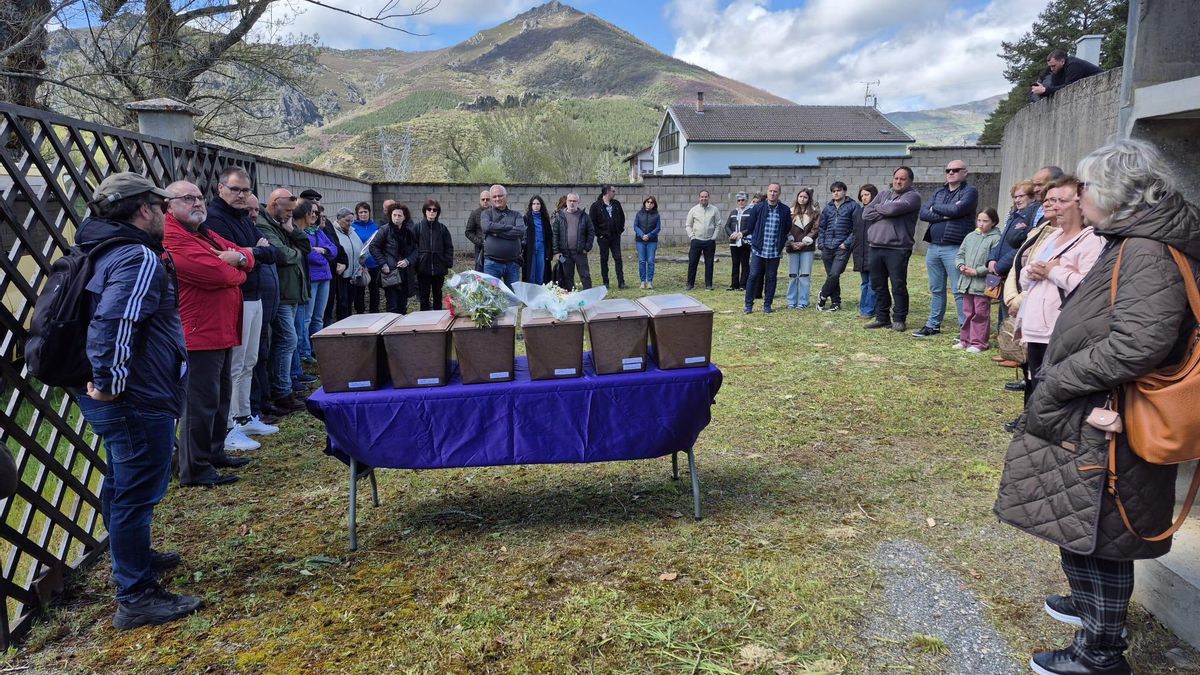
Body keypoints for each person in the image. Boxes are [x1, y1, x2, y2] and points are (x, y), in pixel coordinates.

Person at [996, 138, 1199, 675]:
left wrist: (1059, 378)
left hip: (1108, 415)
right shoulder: (1133, 240)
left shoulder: (1147, 250)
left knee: (1100, 534)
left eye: (1085, 187)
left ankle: (1100, 652)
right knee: (1085, 528)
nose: (1077, 196)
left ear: (1113, 191)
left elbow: (1138, 343)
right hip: (1097, 407)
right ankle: (1093, 612)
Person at [73, 172, 201, 628]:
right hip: (133, 395)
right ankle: (136, 594)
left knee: (121, 480)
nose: (167, 216)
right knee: (135, 492)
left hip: (115, 394)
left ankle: (135, 560)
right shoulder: (138, 256)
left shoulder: (96, 246)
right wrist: (110, 383)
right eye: (162, 207)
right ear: (144, 210)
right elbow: (116, 322)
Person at [163, 180, 253, 486]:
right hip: (198, 332)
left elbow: (243, 255)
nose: (197, 203)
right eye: (188, 199)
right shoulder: (174, 238)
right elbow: (218, 273)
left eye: (199, 197)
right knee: (200, 403)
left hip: (221, 328)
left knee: (219, 398)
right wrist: (238, 265)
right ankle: (194, 468)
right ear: (169, 205)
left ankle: (213, 452)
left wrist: (239, 259)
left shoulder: (201, 232)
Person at [203, 167, 279, 445]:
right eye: (235, 189)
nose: (241, 195)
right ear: (220, 188)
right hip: (237, 297)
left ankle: (245, 416)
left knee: (249, 360)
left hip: (255, 294)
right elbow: (226, 259)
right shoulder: (215, 218)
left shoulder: (243, 218)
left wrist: (248, 253)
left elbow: (271, 252)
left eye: (245, 190)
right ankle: (230, 423)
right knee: (235, 364)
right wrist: (254, 251)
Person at [1016, 176, 1105, 399]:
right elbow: (1026, 276)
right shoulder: (1053, 236)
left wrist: (1053, 272)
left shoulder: (1093, 240)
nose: (1053, 206)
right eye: (1051, 200)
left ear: (1081, 203)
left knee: (1052, 395)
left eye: (1061, 201)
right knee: (1035, 391)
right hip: (1036, 329)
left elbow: (1091, 288)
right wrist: (1033, 271)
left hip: (1060, 332)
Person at [257, 188, 310, 411]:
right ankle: (282, 390)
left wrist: (292, 232)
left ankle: (285, 387)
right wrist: (295, 251)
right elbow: (282, 255)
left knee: (290, 339)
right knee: (287, 339)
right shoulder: (263, 224)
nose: (290, 215)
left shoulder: (282, 225)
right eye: (287, 211)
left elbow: (305, 247)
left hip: (291, 290)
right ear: (274, 204)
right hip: (280, 293)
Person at [914, 160, 979, 337]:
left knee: (958, 290)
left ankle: (964, 329)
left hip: (955, 248)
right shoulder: (939, 191)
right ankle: (933, 325)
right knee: (936, 289)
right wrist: (946, 212)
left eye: (955, 170)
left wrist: (937, 210)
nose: (951, 173)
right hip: (934, 247)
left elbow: (960, 210)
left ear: (965, 172)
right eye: (948, 170)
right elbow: (924, 213)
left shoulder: (969, 192)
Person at [863, 167, 923, 332]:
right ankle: (882, 318)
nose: (898, 181)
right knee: (877, 284)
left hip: (898, 248)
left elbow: (892, 209)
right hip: (875, 246)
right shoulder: (883, 195)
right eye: (896, 178)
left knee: (898, 285)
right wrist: (886, 209)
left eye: (902, 179)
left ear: (910, 181)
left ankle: (899, 319)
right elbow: (866, 213)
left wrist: (883, 209)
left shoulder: (913, 196)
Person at [987, 182, 1035, 338]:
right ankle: (1002, 332)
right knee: (1002, 301)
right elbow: (1002, 241)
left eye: (1022, 196)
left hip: (1013, 268)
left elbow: (1022, 248)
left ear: (1031, 196)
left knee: (1011, 304)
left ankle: (1009, 337)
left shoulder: (1030, 216)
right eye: (1015, 197)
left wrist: (1001, 264)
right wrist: (992, 259)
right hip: (1001, 268)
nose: (1018, 200)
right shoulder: (1014, 215)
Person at [952, 208, 1001, 352]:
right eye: (979, 220)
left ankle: (979, 342)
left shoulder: (996, 239)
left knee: (980, 314)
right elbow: (960, 254)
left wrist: (977, 271)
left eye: (985, 221)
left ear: (993, 222)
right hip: (967, 282)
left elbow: (994, 261)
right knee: (967, 312)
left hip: (983, 284)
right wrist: (960, 265)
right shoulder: (970, 236)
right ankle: (965, 339)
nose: (981, 224)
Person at [743, 182, 790, 314]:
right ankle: (748, 305)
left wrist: (781, 243)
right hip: (759, 249)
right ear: (767, 192)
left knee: (771, 277)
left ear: (779, 193)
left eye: (775, 191)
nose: (772, 193)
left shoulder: (785, 210)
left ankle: (767, 305)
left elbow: (786, 228)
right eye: (770, 191)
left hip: (774, 251)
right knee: (753, 276)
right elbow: (751, 227)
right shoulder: (758, 208)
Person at [299, 200, 337, 354]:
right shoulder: (302, 232)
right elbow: (309, 255)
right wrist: (324, 254)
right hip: (312, 278)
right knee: (307, 317)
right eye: (312, 212)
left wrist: (323, 251)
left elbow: (333, 249)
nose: (314, 215)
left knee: (318, 317)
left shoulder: (319, 231)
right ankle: (305, 350)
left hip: (325, 277)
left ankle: (317, 350)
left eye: (316, 212)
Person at [816, 181, 859, 312]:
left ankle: (823, 295)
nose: (836, 193)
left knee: (835, 273)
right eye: (833, 191)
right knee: (831, 275)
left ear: (844, 191)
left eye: (838, 190)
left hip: (842, 247)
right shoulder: (828, 207)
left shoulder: (853, 206)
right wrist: (822, 244)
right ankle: (835, 302)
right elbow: (822, 227)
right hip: (827, 247)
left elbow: (856, 228)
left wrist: (846, 243)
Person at [370, 203, 416, 314]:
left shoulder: (409, 232)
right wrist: (383, 264)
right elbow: (373, 246)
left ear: (405, 217)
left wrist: (408, 260)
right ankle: (392, 330)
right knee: (392, 305)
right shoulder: (385, 230)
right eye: (394, 215)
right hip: (391, 273)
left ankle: (401, 329)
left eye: (399, 215)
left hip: (405, 273)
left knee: (402, 305)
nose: (396, 218)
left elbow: (416, 250)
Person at [412, 199, 454, 311]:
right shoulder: (418, 228)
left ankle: (438, 318)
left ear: (437, 212)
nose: (431, 212)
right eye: (429, 209)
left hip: (438, 268)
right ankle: (425, 319)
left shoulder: (442, 228)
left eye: (434, 210)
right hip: (423, 268)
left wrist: (446, 262)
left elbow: (449, 247)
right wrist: (417, 262)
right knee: (423, 296)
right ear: (425, 211)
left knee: (437, 295)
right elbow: (412, 247)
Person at [480, 185, 525, 287]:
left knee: (512, 297)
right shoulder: (486, 214)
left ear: (506, 197)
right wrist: (509, 227)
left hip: (513, 264)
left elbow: (520, 231)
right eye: (494, 196)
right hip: (492, 264)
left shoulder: (516, 215)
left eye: (500, 196)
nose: (497, 199)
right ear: (491, 199)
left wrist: (496, 232)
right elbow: (486, 227)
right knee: (491, 296)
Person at [552, 192, 594, 290]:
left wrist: (587, 247)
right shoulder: (560, 217)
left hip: (580, 253)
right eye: (570, 201)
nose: (572, 203)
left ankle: (589, 297)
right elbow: (555, 235)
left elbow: (591, 232)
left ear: (578, 202)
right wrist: (556, 252)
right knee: (567, 277)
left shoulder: (584, 216)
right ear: (566, 202)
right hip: (565, 253)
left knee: (585, 276)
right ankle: (570, 297)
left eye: (574, 201)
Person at [786, 188, 819, 310]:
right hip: (792, 247)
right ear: (797, 197)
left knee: (805, 275)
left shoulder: (814, 213)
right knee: (793, 275)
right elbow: (786, 228)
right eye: (800, 196)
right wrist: (792, 242)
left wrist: (804, 242)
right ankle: (791, 300)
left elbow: (816, 229)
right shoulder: (789, 212)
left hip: (807, 248)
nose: (802, 199)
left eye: (805, 197)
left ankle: (803, 301)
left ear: (808, 199)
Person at [329, 207, 365, 321]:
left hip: (354, 273)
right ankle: (342, 323)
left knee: (350, 301)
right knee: (343, 303)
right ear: (339, 219)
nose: (349, 224)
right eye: (347, 221)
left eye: (351, 221)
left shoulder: (352, 232)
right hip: (341, 274)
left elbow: (359, 248)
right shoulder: (333, 232)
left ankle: (350, 322)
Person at [590, 185, 627, 289]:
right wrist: (600, 234)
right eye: (613, 191)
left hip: (615, 237)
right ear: (607, 192)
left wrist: (620, 230)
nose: (615, 193)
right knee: (604, 259)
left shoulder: (616, 204)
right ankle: (605, 282)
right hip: (603, 238)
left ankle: (621, 282)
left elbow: (622, 218)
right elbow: (592, 222)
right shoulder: (596, 206)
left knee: (618, 258)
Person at [1030, 48, 1102, 99]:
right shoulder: (1056, 70)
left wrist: (1045, 90)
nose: (1052, 69)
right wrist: (1042, 90)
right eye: (1050, 66)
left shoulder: (1074, 65)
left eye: (1053, 66)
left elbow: (1069, 87)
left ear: (1062, 61)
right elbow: (1055, 88)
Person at [685, 190, 721, 291]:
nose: (703, 199)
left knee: (709, 264)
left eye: (705, 197)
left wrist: (714, 237)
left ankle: (708, 285)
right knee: (692, 262)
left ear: (709, 197)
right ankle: (690, 284)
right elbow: (688, 225)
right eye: (702, 197)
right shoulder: (693, 210)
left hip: (709, 241)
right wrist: (692, 236)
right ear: (699, 198)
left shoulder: (714, 210)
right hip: (696, 240)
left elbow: (718, 224)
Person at [852, 184, 879, 319]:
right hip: (860, 253)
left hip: (874, 252)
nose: (864, 198)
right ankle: (864, 309)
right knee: (864, 284)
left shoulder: (878, 212)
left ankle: (869, 310)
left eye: (867, 194)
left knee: (873, 284)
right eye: (862, 195)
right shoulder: (858, 212)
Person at [350, 202, 381, 314]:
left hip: (374, 263)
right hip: (359, 264)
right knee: (360, 291)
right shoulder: (352, 227)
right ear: (357, 214)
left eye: (365, 212)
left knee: (374, 290)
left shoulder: (376, 227)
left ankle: (374, 312)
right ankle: (360, 313)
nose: (363, 214)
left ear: (369, 213)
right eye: (361, 212)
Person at [725, 191, 753, 290]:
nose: (741, 202)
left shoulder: (750, 211)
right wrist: (731, 234)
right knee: (735, 263)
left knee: (745, 263)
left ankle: (743, 285)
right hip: (733, 242)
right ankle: (734, 284)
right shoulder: (733, 212)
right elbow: (727, 226)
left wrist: (741, 234)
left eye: (743, 200)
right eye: (739, 200)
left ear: (746, 200)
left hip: (745, 242)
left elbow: (751, 227)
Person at [522, 195, 553, 284]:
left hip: (541, 249)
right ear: (531, 205)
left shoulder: (545, 219)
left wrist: (549, 252)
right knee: (530, 273)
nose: (536, 206)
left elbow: (549, 236)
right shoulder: (526, 218)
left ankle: (540, 293)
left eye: (538, 204)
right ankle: (530, 294)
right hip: (530, 250)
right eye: (534, 204)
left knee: (541, 272)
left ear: (541, 205)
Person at [633, 195, 662, 289]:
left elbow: (658, 228)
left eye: (651, 202)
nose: (649, 204)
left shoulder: (657, 215)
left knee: (650, 261)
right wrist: (642, 235)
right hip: (640, 241)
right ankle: (642, 281)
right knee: (642, 261)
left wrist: (649, 235)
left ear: (654, 204)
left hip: (652, 241)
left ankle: (649, 281)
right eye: (648, 202)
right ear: (645, 203)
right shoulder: (639, 214)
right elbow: (635, 226)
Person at [464, 190, 490, 273]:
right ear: (480, 200)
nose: (485, 201)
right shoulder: (475, 213)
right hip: (480, 250)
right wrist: (480, 242)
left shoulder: (496, 213)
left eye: (487, 199)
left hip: (495, 251)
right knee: (480, 274)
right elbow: (468, 232)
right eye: (483, 199)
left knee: (492, 277)